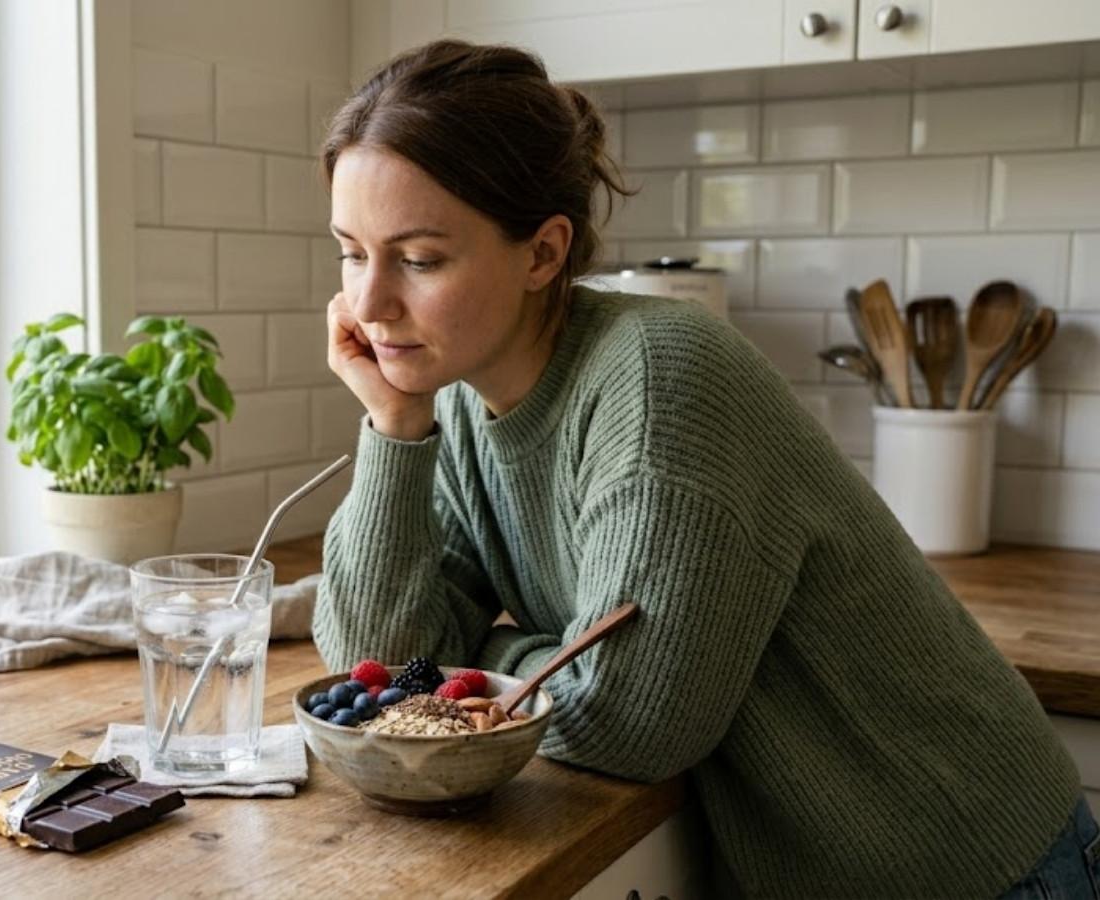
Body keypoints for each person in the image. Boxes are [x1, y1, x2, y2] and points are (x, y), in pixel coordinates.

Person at [311, 39, 1091, 898]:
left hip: (972, 865)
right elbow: (378, 675)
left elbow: (626, 721)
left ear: (543, 253)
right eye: (353, 252)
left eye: (419, 259)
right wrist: (393, 425)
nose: (370, 304)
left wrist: (478, 650)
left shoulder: (660, 377)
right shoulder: (453, 401)